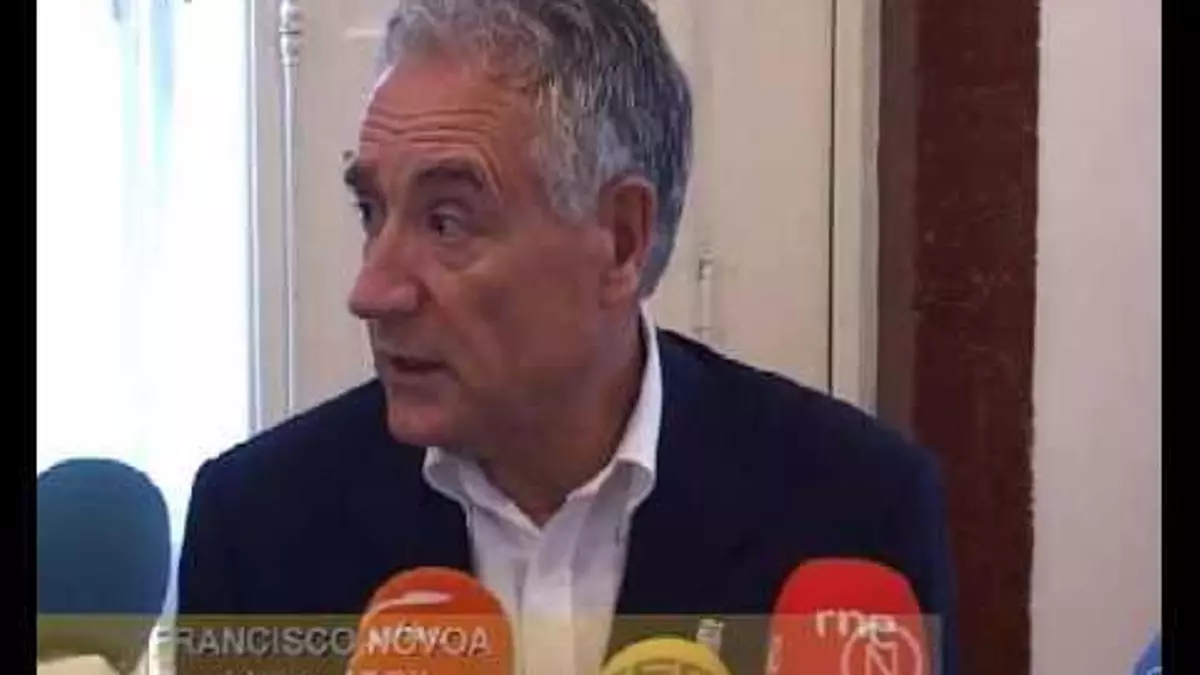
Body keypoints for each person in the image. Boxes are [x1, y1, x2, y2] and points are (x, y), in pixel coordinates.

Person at [177, 1, 958, 673]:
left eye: (446, 221)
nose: (372, 290)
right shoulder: (256, 526)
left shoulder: (855, 511)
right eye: (371, 212)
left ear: (621, 240)